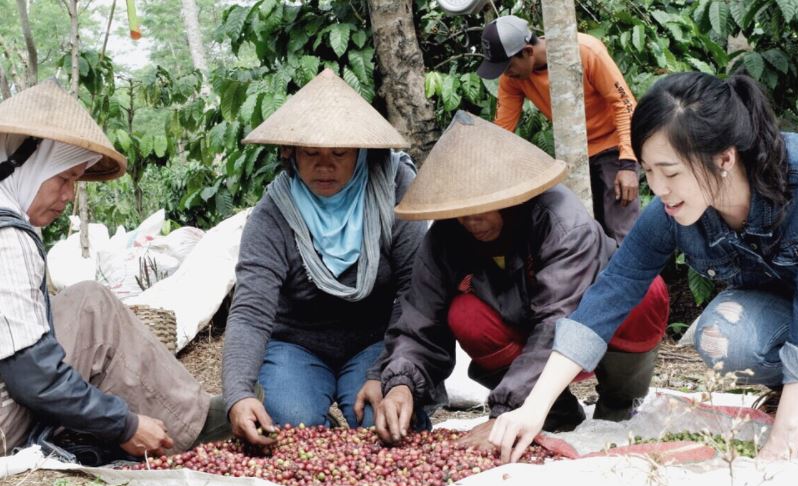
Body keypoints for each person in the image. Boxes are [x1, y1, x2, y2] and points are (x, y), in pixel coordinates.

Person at [488, 72, 798, 463]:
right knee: (721, 335)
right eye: (648, 172)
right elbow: (608, 297)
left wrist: (785, 435)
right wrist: (533, 407)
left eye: (672, 172)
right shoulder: (670, 212)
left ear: (724, 158)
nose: (659, 188)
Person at [364, 112, 668, 446]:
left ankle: (619, 403)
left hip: (590, 329)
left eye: (482, 208)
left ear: (510, 196)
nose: (472, 222)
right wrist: (401, 383)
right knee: (465, 315)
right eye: (461, 213)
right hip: (519, 328)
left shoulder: (562, 222)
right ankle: (556, 414)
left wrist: (504, 411)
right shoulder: (446, 236)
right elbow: (419, 319)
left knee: (647, 294)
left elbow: (556, 324)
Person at [0, 80, 227, 463]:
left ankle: (190, 412)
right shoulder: (8, 238)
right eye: (65, 178)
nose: (69, 196)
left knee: (81, 299)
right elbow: (32, 377)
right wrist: (123, 424)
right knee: (93, 307)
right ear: (29, 166)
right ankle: (195, 422)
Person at [223, 69, 426, 446]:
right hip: (296, 344)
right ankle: (322, 424)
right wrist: (239, 394)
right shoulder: (273, 213)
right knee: (289, 429)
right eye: (311, 153)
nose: (325, 166)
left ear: (362, 152)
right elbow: (251, 310)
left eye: (339, 153)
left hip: (377, 341)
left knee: (386, 428)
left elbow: (415, 291)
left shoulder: (395, 189)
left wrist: (387, 373)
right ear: (291, 154)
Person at [477, 15, 640, 242]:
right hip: (572, 152)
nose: (506, 73)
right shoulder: (513, 78)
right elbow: (501, 130)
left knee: (622, 231)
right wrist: (481, 173)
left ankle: (642, 278)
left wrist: (628, 164)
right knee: (582, 232)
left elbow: (625, 105)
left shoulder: (584, 51)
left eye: (508, 65)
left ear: (527, 51)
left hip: (614, 146)